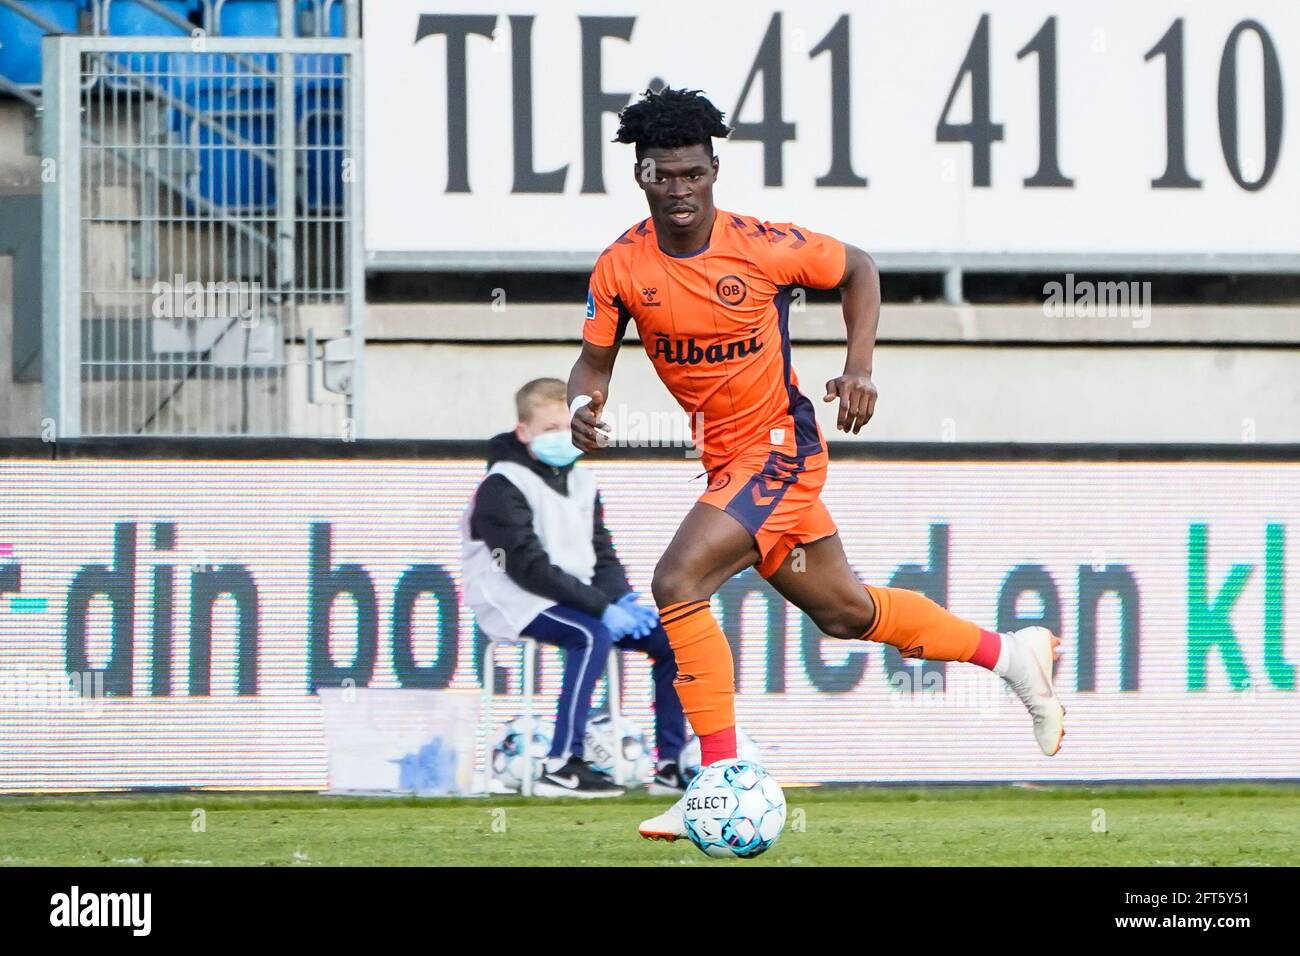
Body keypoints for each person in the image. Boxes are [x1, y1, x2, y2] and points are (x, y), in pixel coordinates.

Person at [565, 88, 1065, 837]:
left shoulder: (762, 246)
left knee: (677, 581)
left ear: (713, 170)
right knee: (844, 613)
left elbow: (859, 268)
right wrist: (583, 406)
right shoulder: (621, 268)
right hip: (727, 462)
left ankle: (719, 779)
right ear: (640, 174)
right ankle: (1014, 657)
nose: (680, 191)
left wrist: (858, 367)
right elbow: (591, 365)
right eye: (663, 176)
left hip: (779, 450)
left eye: (693, 174)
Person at [460, 377, 688, 798]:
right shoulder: (501, 484)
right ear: (523, 432)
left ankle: (671, 765)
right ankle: (562, 764)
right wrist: (602, 609)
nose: (562, 438)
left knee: (670, 640)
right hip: (513, 598)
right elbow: (528, 569)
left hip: (575, 595)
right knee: (591, 634)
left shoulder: (583, 480)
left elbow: (600, 552)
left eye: (569, 427)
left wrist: (620, 597)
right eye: (549, 429)